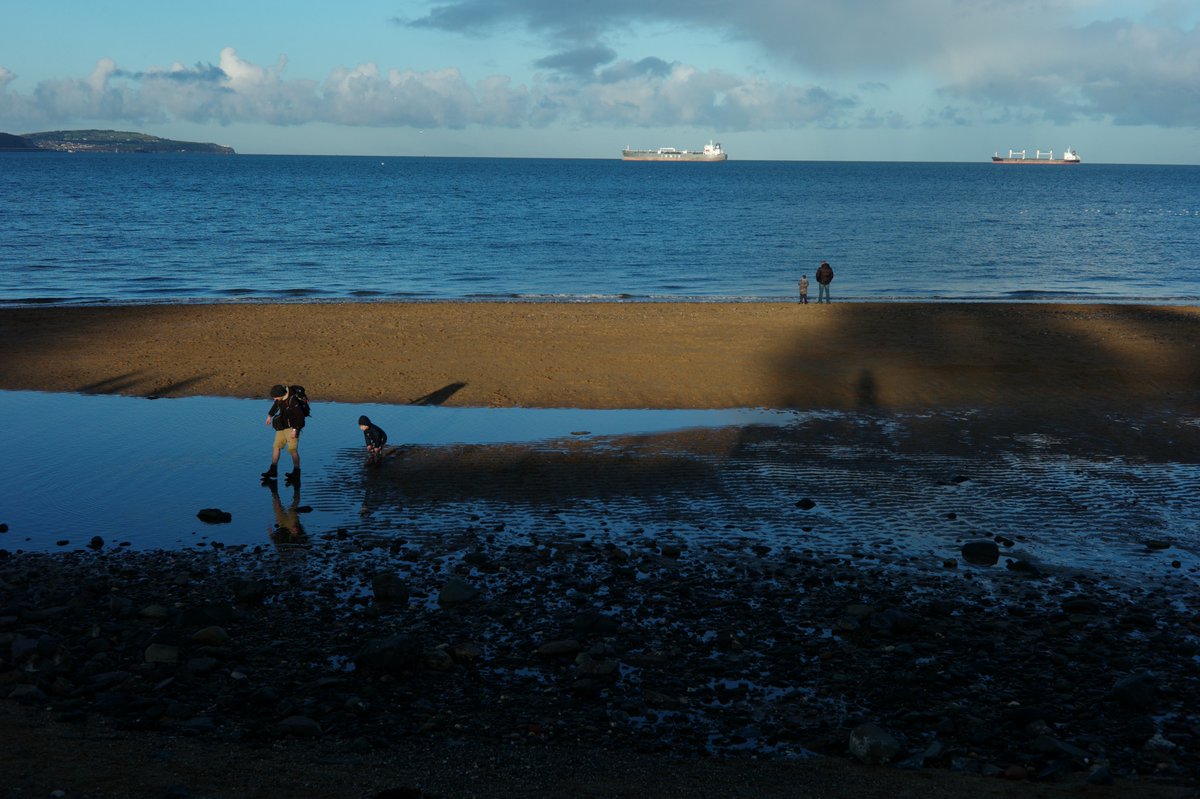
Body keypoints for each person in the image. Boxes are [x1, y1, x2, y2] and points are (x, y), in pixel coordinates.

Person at [262, 384, 307, 482]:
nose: (274, 399)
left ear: (282, 394)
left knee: (292, 450)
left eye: (276, 397)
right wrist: (270, 416)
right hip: (282, 426)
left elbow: (300, 417)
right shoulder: (280, 398)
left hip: (292, 428)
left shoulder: (293, 400)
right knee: (276, 446)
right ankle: (273, 470)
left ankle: (296, 472)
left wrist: (295, 430)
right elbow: (275, 405)